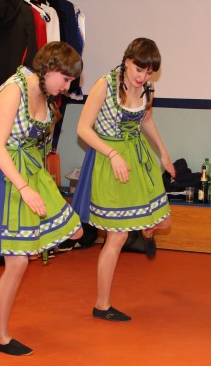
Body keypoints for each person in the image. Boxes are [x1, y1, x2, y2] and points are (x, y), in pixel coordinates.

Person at [0, 42, 84, 356]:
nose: (67, 88)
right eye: (65, 79)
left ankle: (33, 240)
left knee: (75, 230)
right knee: (17, 261)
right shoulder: (14, 90)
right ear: (49, 69)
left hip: (30, 168)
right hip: (4, 173)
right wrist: (25, 188)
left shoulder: (44, 90)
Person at [73, 37, 175, 322]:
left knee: (164, 221)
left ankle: (144, 230)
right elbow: (83, 128)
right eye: (138, 70)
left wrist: (164, 154)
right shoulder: (105, 85)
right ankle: (101, 305)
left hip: (138, 157)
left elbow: (146, 120)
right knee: (116, 237)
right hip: (111, 159)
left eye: (149, 73)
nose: (142, 77)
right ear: (127, 61)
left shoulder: (148, 88)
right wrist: (112, 154)